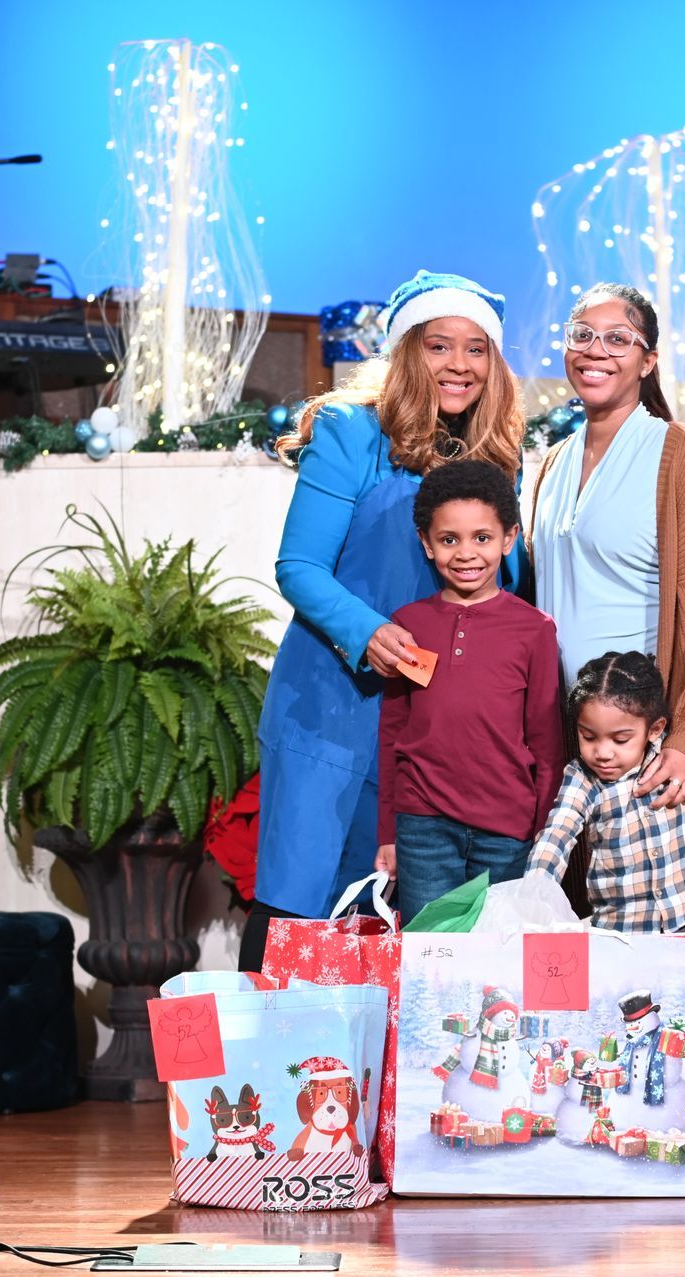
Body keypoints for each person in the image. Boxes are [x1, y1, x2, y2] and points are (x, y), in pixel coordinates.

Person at [241, 270, 525, 970]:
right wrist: (367, 631)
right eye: (439, 345)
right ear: (406, 350)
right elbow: (300, 565)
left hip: (431, 723)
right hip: (330, 708)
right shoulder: (351, 432)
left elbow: (507, 584)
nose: (459, 364)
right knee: (297, 900)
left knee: (410, 919)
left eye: (477, 349)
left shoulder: (498, 457)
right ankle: (262, 1041)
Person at [527, 283, 685, 846]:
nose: (596, 350)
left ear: (647, 362)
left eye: (618, 339)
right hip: (582, 738)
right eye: (582, 335)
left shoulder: (679, 455)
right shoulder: (552, 462)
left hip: (653, 735)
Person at [374, 460, 564, 923]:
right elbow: (393, 732)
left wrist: (544, 834)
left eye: (481, 538)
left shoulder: (535, 629)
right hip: (423, 827)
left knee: (497, 955)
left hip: (508, 830)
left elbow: (546, 742)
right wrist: (388, 833)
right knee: (429, 951)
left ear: (508, 538)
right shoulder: (408, 625)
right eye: (449, 539)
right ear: (426, 543)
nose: (466, 554)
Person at [527, 651, 685, 933]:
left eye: (620, 739)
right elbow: (556, 836)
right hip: (623, 933)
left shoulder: (678, 764)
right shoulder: (582, 778)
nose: (602, 753)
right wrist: (534, 894)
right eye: (588, 737)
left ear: (654, 729)